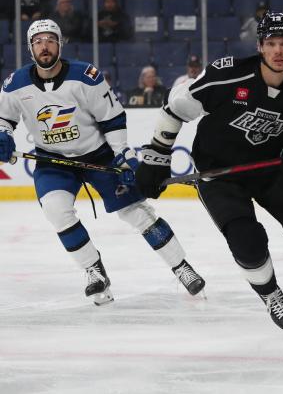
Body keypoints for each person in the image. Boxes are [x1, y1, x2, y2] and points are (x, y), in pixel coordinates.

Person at [134, 10, 283, 331]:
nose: (278, 51)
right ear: (260, 46)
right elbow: (175, 106)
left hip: (272, 171)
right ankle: (271, 294)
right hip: (220, 175)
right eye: (271, 43)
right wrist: (157, 155)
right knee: (247, 241)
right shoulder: (228, 75)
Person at [0, 20, 205, 305]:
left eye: (50, 40)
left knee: (137, 212)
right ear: (29, 48)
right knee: (57, 212)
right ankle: (94, 271)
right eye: (37, 41)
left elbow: (113, 118)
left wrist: (124, 156)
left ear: (60, 44)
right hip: (53, 162)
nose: (44, 46)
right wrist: (3, 134)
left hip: (99, 155)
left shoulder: (86, 76)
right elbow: (4, 119)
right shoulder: (15, 84)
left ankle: (181, 266)